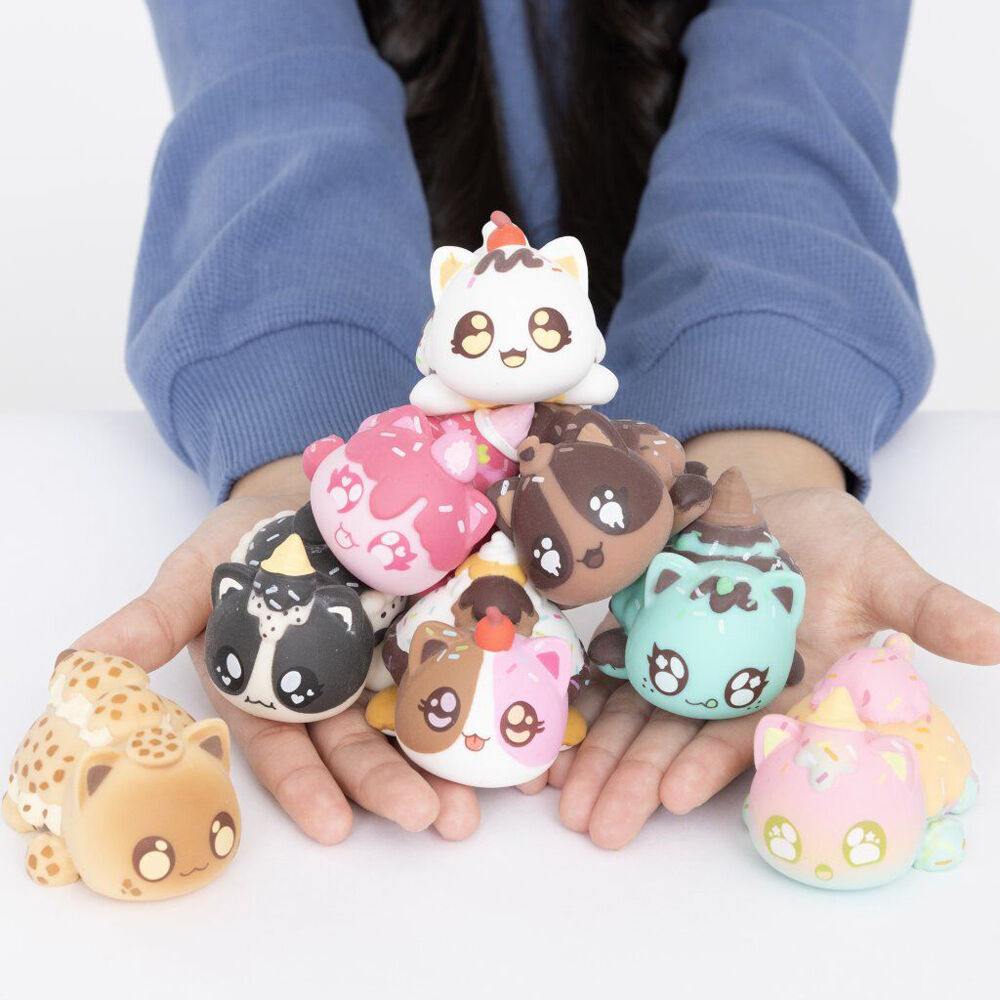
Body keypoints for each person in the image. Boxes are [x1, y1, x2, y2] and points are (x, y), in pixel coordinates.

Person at [80, 0, 1000, 848]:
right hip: (411, 412)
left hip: (637, 439)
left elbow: (796, 57)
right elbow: (269, 74)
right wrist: (308, 445)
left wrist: (760, 437)